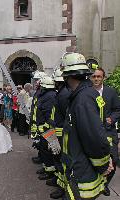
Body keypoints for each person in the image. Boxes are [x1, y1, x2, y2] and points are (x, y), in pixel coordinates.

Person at [60, 52, 113, 199]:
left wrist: (103, 165)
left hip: (82, 169)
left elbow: (94, 137)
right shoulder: (86, 94)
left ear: (67, 76)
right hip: (82, 165)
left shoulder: (82, 99)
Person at [90, 67, 120, 196]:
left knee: (113, 158)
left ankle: (105, 184)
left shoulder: (111, 92)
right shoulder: (87, 92)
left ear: (103, 78)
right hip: (92, 132)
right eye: (94, 76)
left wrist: (111, 119)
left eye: (99, 76)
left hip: (108, 131)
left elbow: (117, 109)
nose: (96, 79)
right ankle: (97, 183)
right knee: (94, 160)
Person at [47, 69, 71, 199]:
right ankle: (59, 182)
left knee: (60, 160)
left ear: (57, 82)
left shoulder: (63, 95)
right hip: (57, 130)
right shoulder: (61, 92)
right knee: (56, 158)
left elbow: (64, 116)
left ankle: (62, 188)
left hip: (60, 133)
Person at [30, 71, 46, 165]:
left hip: (41, 122)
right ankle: (40, 156)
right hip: (36, 120)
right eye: (35, 80)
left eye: (37, 80)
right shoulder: (38, 91)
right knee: (38, 140)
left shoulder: (42, 92)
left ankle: (42, 158)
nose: (35, 82)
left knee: (41, 142)